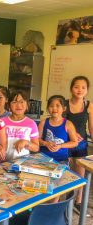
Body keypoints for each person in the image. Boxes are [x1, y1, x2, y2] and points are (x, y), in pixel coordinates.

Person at [65, 76, 93, 214]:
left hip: (81, 145)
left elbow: (92, 128)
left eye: (83, 87)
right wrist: (72, 133)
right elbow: (59, 123)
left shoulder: (89, 106)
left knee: (80, 175)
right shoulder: (64, 104)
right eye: (76, 86)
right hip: (66, 143)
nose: (80, 90)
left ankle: (79, 201)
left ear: (87, 90)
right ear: (71, 88)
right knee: (66, 173)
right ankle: (64, 200)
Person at [38, 95, 78, 164]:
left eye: (57, 106)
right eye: (51, 106)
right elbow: (36, 139)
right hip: (43, 159)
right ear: (48, 108)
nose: (54, 108)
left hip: (62, 160)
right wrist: (46, 143)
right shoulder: (43, 122)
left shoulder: (68, 124)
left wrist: (60, 146)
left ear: (64, 108)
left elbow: (75, 142)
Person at [2, 91, 39, 161]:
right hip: (3, 162)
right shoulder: (2, 122)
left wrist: (26, 142)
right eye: (14, 102)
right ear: (9, 106)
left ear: (27, 105)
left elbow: (36, 147)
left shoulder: (31, 123)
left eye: (22, 102)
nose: (18, 105)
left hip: (22, 163)